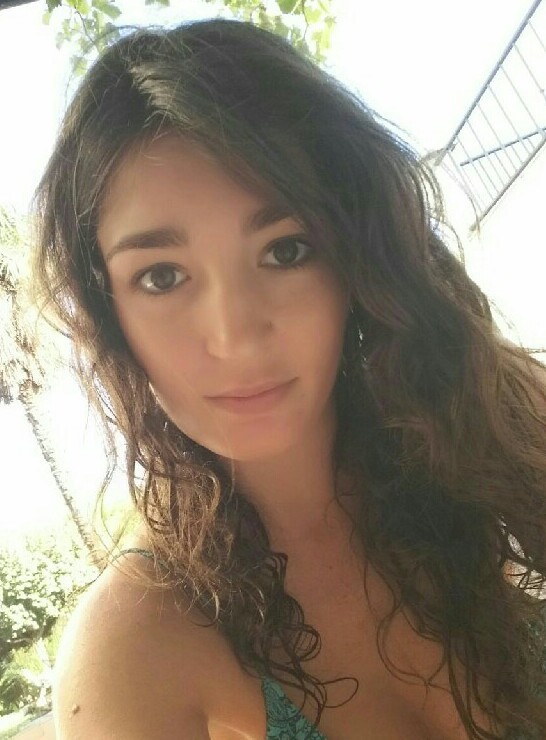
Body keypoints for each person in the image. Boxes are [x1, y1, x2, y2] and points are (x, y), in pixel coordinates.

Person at [31, 17, 546, 740]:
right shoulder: (136, 646)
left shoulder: (497, 426)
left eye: (286, 250)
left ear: (356, 259)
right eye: (162, 276)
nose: (235, 335)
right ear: (109, 314)